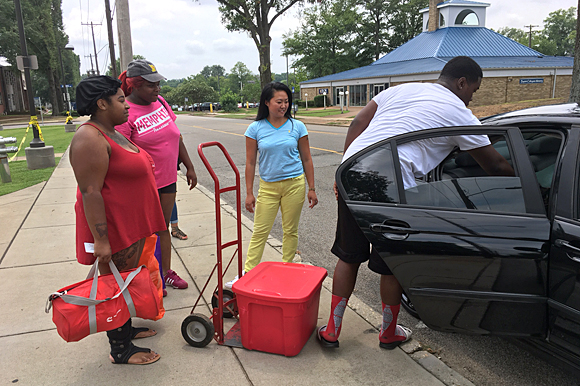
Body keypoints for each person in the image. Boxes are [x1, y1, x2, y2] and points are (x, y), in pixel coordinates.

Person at [318, 56, 514, 349]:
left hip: (354, 172)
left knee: (348, 255)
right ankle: (387, 333)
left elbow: (359, 121)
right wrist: (526, 184)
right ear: (462, 82)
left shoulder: (402, 89)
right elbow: (495, 166)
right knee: (393, 263)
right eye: (473, 90)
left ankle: (332, 331)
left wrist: (344, 169)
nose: (471, 98)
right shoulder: (458, 112)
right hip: (392, 185)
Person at [70, 75, 166, 365]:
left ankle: (125, 328)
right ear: (101, 103)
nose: (126, 105)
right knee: (114, 283)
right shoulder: (89, 137)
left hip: (132, 224)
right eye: (121, 99)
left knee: (126, 280)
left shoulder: (110, 130)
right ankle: (121, 349)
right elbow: (90, 192)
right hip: (115, 229)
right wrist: (101, 240)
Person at [225, 82, 318, 288]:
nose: (283, 105)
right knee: (260, 230)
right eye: (279, 101)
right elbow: (250, 163)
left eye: (286, 101)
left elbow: (307, 158)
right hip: (268, 187)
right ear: (267, 102)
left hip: (294, 185)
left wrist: (311, 188)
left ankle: (288, 269)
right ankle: (247, 273)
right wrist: (249, 192)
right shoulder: (255, 128)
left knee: (290, 230)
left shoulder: (297, 126)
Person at [117, 59, 197, 294]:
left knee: (163, 228)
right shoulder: (126, 113)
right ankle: (147, 278)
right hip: (143, 184)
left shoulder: (160, 103)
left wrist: (189, 166)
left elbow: (176, 137)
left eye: (158, 83)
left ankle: (164, 274)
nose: (158, 88)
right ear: (136, 85)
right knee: (145, 233)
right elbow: (123, 154)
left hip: (168, 179)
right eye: (152, 85)